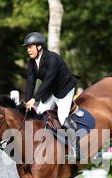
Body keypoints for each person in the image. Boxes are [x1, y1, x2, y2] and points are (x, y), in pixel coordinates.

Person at [23, 32, 80, 160]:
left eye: (30, 47)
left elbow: (48, 80)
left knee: (62, 116)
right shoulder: (32, 62)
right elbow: (30, 82)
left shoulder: (52, 59)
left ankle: (75, 149)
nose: (28, 50)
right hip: (51, 90)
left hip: (64, 88)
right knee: (40, 113)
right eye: (27, 47)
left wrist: (35, 99)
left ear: (39, 47)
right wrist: (28, 102)